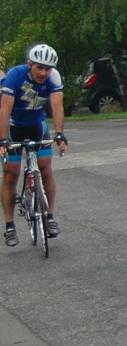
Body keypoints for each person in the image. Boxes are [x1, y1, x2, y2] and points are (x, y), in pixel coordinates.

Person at [1, 44, 70, 247]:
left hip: (36, 126)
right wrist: (2, 139)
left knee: (46, 168)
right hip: (14, 127)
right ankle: (10, 226)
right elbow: (4, 109)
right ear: (29, 64)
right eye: (39, 67)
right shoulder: (15, 75)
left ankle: (49, 217)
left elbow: (57, 107)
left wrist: (59, 134)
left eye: (48, 68)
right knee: (11, 173)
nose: (43, 72)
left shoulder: (53, 77)